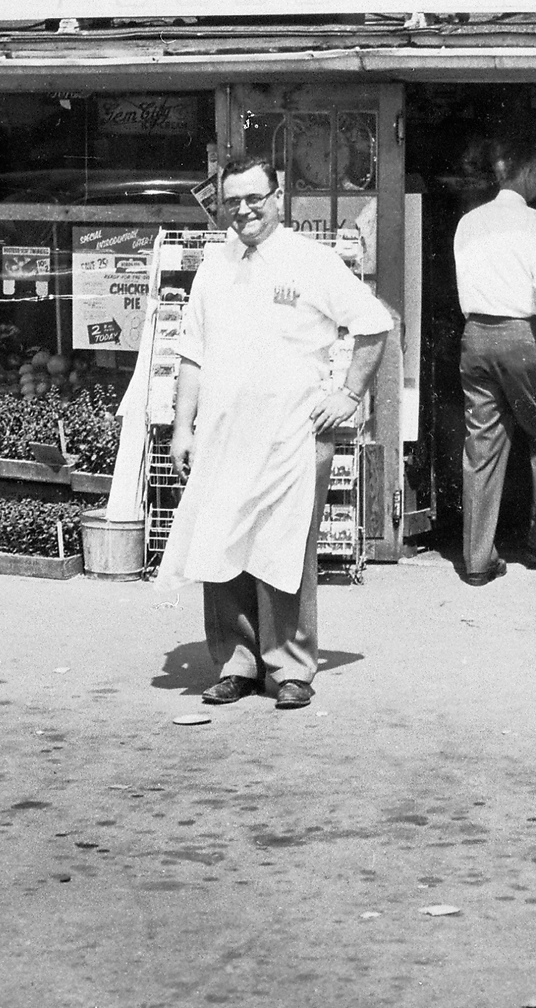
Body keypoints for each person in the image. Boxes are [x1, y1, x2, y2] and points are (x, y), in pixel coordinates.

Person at [158, 153, 393, 710]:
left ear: (276, 196)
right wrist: (182, 427)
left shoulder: (310, 260)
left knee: (284, 552)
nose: (244, 211)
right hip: (222, 436)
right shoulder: (215, 266)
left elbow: (375, 322)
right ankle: (237, 662)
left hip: (293, 436)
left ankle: (290, 667)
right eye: (232, 201)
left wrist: (349, 394)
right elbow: (192, 352)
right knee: (222, 546)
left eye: (254, 198)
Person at [453, 137, 536, 586]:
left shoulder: (469, 223)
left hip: (475, 336)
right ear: (525, 173)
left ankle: (477, 558)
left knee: (481, 446)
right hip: (524, 337)